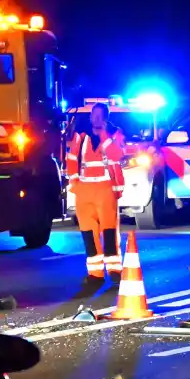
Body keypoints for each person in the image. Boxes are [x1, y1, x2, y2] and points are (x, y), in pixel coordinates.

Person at [65, 103, 126, 282]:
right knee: (88, 233)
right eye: (94, 115)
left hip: (105, 190)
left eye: (100, 116)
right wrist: (75, 184)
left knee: (108, 231)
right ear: (90, 117)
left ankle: (114, 270)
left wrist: (105, 135)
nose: (96, 119)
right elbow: (71, 159)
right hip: (84, 191)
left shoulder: (115, 134)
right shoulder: (81, 136)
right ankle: (95, 273)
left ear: (106, 118)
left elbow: (116, 155)